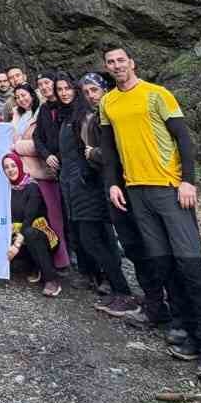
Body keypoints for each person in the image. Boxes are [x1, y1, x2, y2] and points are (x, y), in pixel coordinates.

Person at [100, 46, 201, 383]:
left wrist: (188, 181)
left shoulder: (157, 94)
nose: (116, 66)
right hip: (135, 190)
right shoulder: (108, 102)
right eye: (110, 62)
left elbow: (183, 138)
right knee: (163, 262)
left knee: (190, 262)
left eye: (121, 60)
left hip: (169, 188)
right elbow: (109, 149)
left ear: (132, 62)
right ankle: (183, 325)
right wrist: (113, 183)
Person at [78, 73, 170, 330]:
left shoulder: (118, 115)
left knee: (150, 246)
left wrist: (93, 153)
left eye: (94, 90)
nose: (91, 96)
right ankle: (153, 304)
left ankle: (164, 303)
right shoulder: (96, 118)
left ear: (106, 89)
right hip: (112, 187)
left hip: (135, 186)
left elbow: (114, 151)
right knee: (132, 247)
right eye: (86, 92)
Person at [53, 77, 137, 316]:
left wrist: (91, 162)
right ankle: (116, 289)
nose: (64, 93)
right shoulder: (70, 116)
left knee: (95, 239)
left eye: (68, 89)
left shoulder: (87, 117)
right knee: (88, 239)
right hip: (73, 186)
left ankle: (122, 291)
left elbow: (106, 153)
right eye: (61, 90)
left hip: (88, 185)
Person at [10, 81, 70, 268]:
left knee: (53, 217)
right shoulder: (19, 116)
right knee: (32, 220)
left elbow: (42, 144)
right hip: (27, 174)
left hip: (43, 172)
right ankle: (38, 262)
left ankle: (61, 260)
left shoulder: (41, 113)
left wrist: (16, 147)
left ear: (33, 94)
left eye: (24, 95)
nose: (22, 99)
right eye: (18, 97)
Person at [3, 153, 62, 296]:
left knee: (29, 232)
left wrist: (16, 246)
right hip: (19, 236)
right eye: (6, 167)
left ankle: (51, 279)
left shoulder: (32, 187)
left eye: (13, 166)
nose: (10, 170)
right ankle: (33, 266)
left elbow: (29, 219)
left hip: (40, 236)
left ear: (20, 166)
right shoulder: (6, 190)